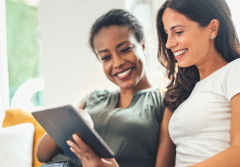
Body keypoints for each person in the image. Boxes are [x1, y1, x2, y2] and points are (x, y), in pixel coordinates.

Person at [71, 0, 240, 167]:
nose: (169, 43)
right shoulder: (184, 91)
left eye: (178, 32)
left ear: (212, 28)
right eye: (167, 34)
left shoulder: (239, 69)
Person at [36, 9, 170, 167]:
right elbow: (42, 154)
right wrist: (76, 119)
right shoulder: (94, 97)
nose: (117, 63)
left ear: (142, 45)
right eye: (106, 57)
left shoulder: (165, 103)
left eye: (125, 49)